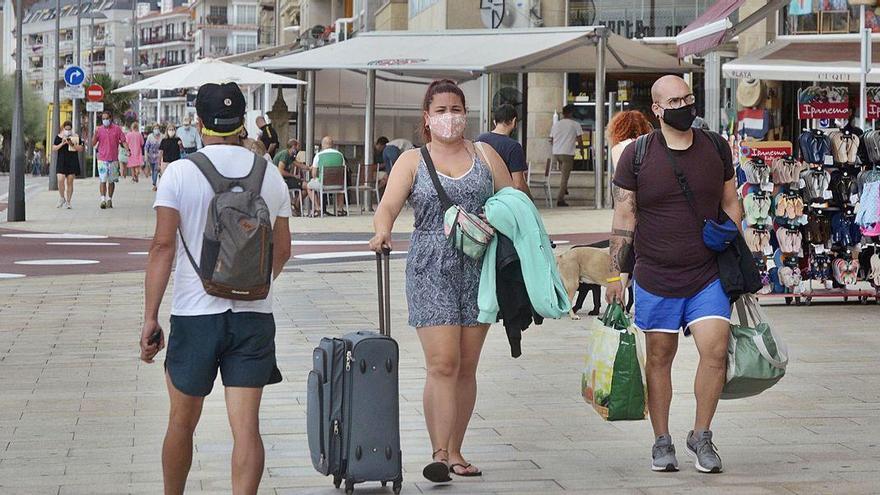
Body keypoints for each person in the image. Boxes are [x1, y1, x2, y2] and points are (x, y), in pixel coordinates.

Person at [140, 82, 292, 495]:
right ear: (242, 121)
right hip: (253, 319)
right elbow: (283, 250)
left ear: (200, 122)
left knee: (181, 423)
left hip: (195, 316)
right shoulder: (270, 176)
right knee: (246, 430)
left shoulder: (180, 173)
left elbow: (162, 247)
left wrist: (151, 318)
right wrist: (251, 285)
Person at [368, 79, 513, 483]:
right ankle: (439, 452)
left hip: (479, 266)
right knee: (443, 363)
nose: (450, 117)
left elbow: (514, 201)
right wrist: (382, 231)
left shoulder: (485, 155)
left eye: (456, 109)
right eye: (442, 110)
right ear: (427, 119)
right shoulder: (412, 161)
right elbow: (388, 207)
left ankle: (456, 449)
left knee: (467, 365)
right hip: (431, 264)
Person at [607, 75, 741, 474]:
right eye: (675, 100)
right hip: (655, 273)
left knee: (715, 350)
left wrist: (730, 231)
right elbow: (624, 214)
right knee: (660, 357)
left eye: (689, 97)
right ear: (658, 110)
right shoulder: (638, 154)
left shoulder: (716, 147)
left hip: (707, 274)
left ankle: (702, 434)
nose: (685, 105)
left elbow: (732, 201)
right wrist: (618, 274)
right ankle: (661, 441)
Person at [572, 111, 652, 315]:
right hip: (651, 207)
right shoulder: (649, 144)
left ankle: (618, 301)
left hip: (630, 206)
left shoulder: (619, 149)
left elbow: (623, 181)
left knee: (625, 256)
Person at [476, 104, 530, 197]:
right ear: (514, 121)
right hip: (503, 199)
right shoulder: (514, 146)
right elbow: (518, 184)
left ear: (494, 122)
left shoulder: (480, 139)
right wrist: (529, 199)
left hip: (481, 195)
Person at [549, 104, 584, 207]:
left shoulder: (556, 125)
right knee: (565, 177)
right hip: (567, 153)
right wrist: (581, 151)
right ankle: (560, 199)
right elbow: (580, 140)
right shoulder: (575, 124)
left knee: (563, 173)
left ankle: (564, 189)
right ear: (571, 113)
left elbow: (551, 139)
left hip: (556, 153)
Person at [92, 111, 128, 209]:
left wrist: (127, 149)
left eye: (106, 118)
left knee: (111, 181)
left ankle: (109, 199)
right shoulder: (99, 130)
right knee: (103, 179)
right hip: (102, 159)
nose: (105, 120)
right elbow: (93, 143)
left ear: (110, 118)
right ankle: (103, 200)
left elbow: (123, 141)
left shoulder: (117, 129)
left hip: (113, 159)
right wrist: (95, 134)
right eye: (103, 119)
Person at [307, 136, 347, 216]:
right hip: (339, 186)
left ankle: (318, 208)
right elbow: (343, 171)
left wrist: (317, 178)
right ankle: (339, 209)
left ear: (323, 145)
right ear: (332, 145)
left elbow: (314, 174)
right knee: (340, 185)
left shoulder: (319, 155)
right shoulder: (340, 155)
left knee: (309, 186)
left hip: (324, 185)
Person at [52, 121, 83, 209]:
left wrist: (72, 144)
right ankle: (62, 197)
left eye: (69, 129)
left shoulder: (76, 136)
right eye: (66, 129)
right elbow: (54, 148)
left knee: (70, 182)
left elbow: (81, 148)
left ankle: (68, 201)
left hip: (72, 161)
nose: (68, 131)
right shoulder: (59, 137)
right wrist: (62, 143)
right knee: (60, 179)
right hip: (61, 161)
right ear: (63, 128)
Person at [273, 138, 310, 214]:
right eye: (297, 147)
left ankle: (295, 204)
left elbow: (298, 164)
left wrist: (309, 168)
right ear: (293, 147)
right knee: (308, 186)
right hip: (281, 180)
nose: (298, 150)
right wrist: (293, 175)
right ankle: (295, 205)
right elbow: (280, 171)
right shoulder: (285, 155)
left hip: (286, 179)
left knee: (306, 187)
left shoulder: (290, 155)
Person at [145, 123, 162, 191]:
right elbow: (146, 147)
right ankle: (155, 183)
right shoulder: (150, 137)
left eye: (157, 128)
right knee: (153, 170)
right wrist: (146, 156)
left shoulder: (162, 136)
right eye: (155, 128)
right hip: (151, 157)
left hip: (159, 157)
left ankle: (154, 184)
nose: (156, 130)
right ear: (153, 129)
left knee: (156, 170)